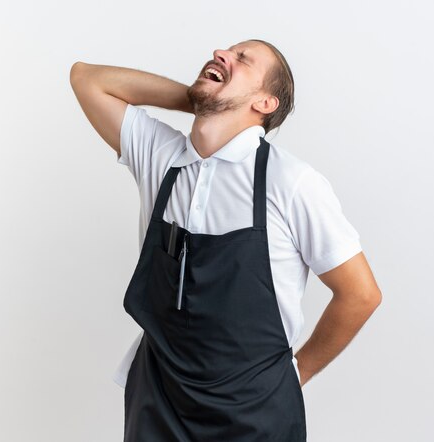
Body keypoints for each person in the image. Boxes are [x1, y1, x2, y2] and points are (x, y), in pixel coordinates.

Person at [70, 39, 382, 441]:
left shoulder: (291, 183)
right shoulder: (162, 157)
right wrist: (201, 99)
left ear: (266, 103)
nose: (221, 53)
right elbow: (87, 79)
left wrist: (296, 373)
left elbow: (360, 294)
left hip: (254, 414)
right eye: (226, 52)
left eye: (242, 60)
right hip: (159, 403)